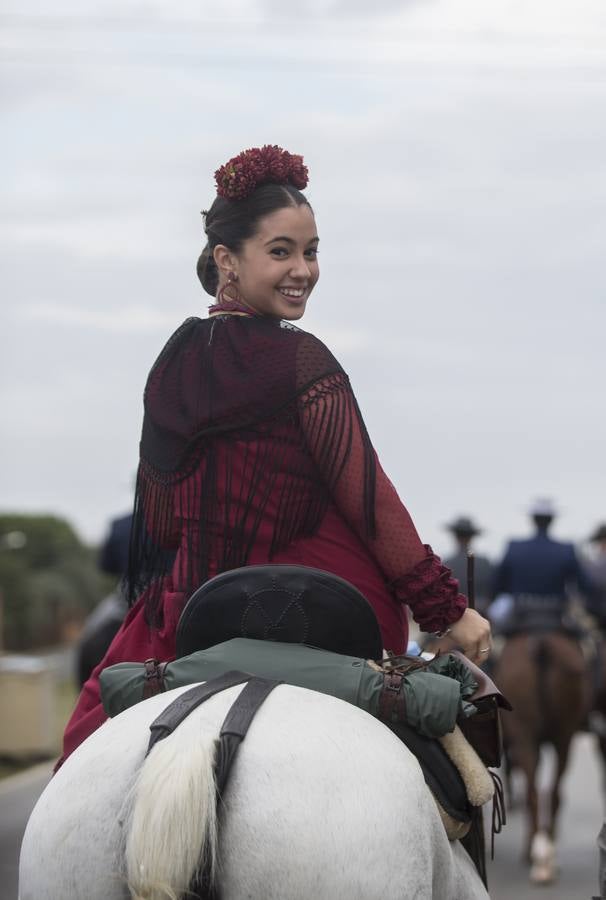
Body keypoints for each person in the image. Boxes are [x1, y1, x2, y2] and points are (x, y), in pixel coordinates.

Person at [59, 145, 491, 766]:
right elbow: (369, 501)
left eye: (311, 251)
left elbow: (158, 525)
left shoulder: (170, 366)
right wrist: (447, 610)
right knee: (452, 767)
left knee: (85, 762)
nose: (303, 270)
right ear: (226, 260)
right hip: (321, 613)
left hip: (198, 613)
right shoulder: (304, 360)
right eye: (281, 251)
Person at [491, 498, 592, 633]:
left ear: (533, 520)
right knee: (589, 646)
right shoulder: (567, 549)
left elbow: (498, 584)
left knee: (492, 647)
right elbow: (584, 585)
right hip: (556, 615)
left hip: (520, 614)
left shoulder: (514, 547)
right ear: (552, 520)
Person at [74, 513, 132, 688]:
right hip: (193, 591)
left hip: (130, 596)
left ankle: (83, 699)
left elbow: (106, 566)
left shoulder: (121, 524)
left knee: (88, 636)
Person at [443, 516, 494, 615]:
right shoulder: (485, 563)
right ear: (472, 537)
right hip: (481, 613)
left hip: (454, 614)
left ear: (455, 537)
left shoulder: (446, 564)